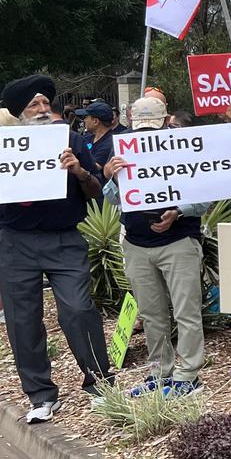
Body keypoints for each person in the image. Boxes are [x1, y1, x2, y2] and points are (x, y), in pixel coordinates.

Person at [0, 76, 113, 424]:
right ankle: (41, 395)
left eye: (46, 103)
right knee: (22, 320)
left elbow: (96, 191)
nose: (43, 109)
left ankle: (99, 383)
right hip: (14, 241)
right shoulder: (3, 145)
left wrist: (79, 171)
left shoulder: (71, 140)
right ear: (19, 112)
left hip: (64, 239)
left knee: (79, 309)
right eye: (34, 104)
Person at [102, 97, 208, 397]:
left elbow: (205, 197)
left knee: (186, 311)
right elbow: (113, 199)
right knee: (151, 313)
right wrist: (111, 175)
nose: (147, 132)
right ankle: (160, 372)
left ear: (166, 120)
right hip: (137, 243)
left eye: (153, 125)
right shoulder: (123, 149)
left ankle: (188, 375)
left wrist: (179, 211)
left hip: (178, 242)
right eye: (141, 127)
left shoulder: (185, 150)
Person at [77, 100, 128, 171]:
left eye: (86, 117)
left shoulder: (111, 142)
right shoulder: (87, 137)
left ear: (95, 121)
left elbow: (96, 167)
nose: (84, 120)